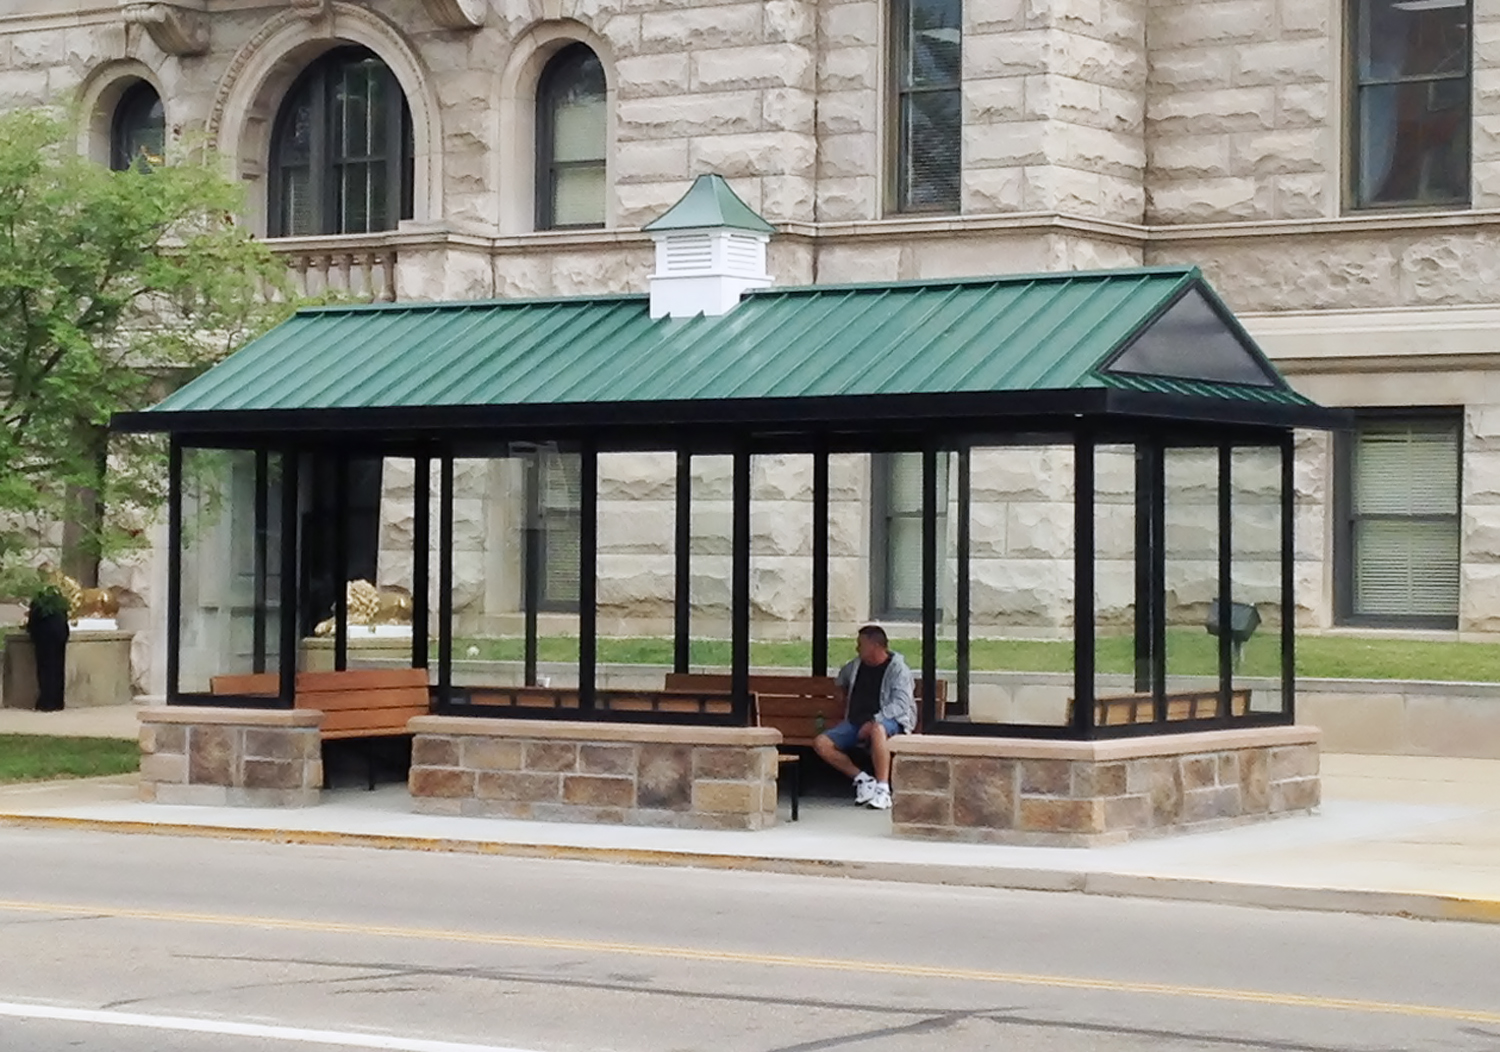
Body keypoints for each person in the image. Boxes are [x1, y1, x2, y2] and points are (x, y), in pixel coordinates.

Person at [812, 624, 916, 810]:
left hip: (890, 722)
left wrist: (875, 720)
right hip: (854, 723)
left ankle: (883, 789)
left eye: (861, 644)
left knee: (878, 730)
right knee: (822, 743)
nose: (857, 648)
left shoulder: (899, 670)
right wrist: (840, 690)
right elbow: (841, 678)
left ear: (875, 645)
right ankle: (863, 780)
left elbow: (901, 704)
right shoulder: (856, 666)